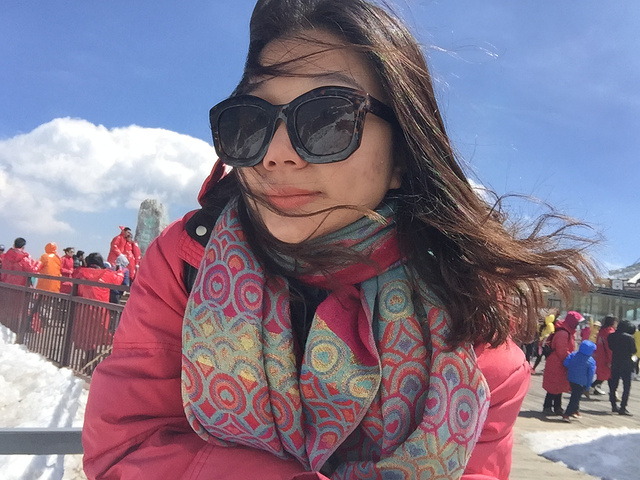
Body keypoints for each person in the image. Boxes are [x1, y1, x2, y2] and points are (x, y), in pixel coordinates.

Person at [82, 1, 597, 479]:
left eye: (327, 118)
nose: (276, 153)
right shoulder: (185, 261)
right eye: (250, 123)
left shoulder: (470, 322)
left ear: (401, 156)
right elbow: (126, 444)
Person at [72, 253, 125, 353]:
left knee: (85, 332)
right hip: (101, 310)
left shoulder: (81, 272)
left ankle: (87, 353)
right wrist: (121, 271)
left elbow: (73, 275)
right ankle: (92, 355)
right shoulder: (106, 274)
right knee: (99, 333)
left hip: (83, 308)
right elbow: (118, 281)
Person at [542, 311, 583, 415]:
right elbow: (562, 350)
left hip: (560, 362)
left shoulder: (566, 331)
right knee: (554, 386)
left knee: (559, 386)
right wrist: (571, 360)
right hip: (557, 362)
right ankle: (547, 406)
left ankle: (557, 407)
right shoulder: (564, 333)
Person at [562, 339, 596, 422]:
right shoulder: (591, 361)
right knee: (575, 398)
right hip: (582, 382)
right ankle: (567, 414)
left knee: (575, 395)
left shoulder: (573, 354)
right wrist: (588, 386)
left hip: (571, 378)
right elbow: (591, 374)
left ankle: (575, 411)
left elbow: (566, 363)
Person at [608, 319, 637, 416]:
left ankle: (613, 405)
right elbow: (634, 350)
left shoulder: (611, 336)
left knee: (613, 385)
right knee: (626, 386)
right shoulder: (629, 338)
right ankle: (623, 407)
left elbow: (611, 347)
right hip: (626, 363)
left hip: (615, 362)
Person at [592, 315, 617, 395]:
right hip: (607, 357)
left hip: (599, 356)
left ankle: (596, 389)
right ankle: (613, 393)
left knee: (603, 375)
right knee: (609, 375)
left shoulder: (601, 331)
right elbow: (610, 348)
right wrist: (611, 360)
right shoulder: (610, 333)